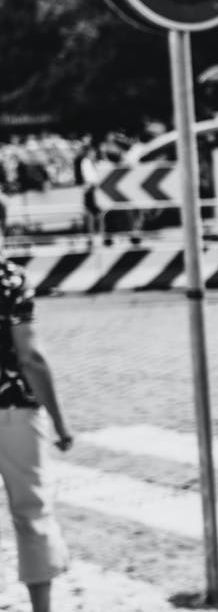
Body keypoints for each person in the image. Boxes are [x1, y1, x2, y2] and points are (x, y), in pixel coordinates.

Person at [0, 257, 72, 612]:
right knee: (32, 514)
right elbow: (30, 357)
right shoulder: (8, 278)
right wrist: (59, 421)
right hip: (12, 409)